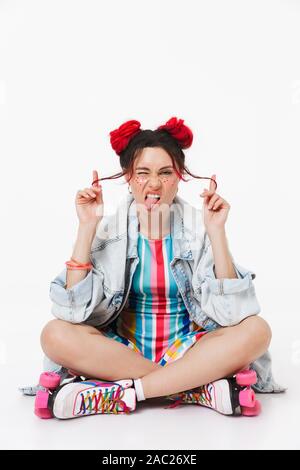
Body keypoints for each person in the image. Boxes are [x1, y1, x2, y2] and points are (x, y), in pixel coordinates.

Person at [20, 117, 286, 417]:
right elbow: (71, 312)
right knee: (54, 334)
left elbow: (234, 313)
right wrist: (86, 228)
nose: (154, 184)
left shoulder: (199, 230)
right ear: (129, 177)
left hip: (191, 351)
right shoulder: (110, 232)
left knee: (256, 330)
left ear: (179, 176)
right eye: (143, 173)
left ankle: (123, 392)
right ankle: (196, 388)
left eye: (165, 172)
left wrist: (217, 231)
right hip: (122, 352)